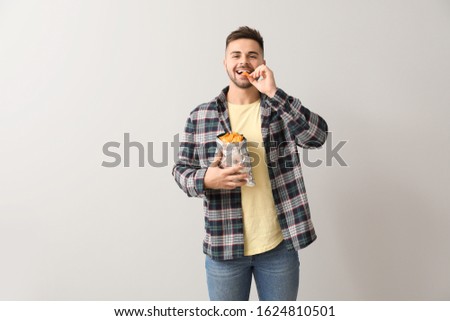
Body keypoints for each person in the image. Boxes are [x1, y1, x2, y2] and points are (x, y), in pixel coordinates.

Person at [172, 26, 328, 301]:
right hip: (224, 248)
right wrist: (206, 180)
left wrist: (274, 92)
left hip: (278, 247)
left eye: (252, 55)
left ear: (262, 63)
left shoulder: (280, 110)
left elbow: (317, 137)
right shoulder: (201, 116)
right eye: (236, 55)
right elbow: (180, 170)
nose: (244, 61)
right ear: (225, 63)